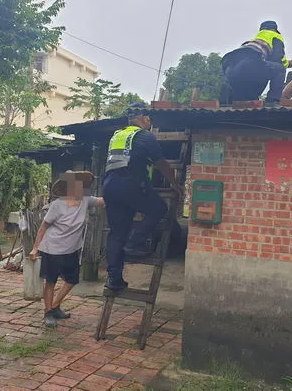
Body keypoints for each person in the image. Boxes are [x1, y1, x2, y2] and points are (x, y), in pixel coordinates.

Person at [102, 102, 181, 291]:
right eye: (149, 119)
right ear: (143, 118)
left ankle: (114, 279)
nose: (150, 123)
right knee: (159, 208)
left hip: (110, 187)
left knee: (116, 235)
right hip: (131, 185)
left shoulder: (116, 136)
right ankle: (136, 241)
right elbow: (160, 163)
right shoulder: (145, 136)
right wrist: (174, 183)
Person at [29, 171, 105, 328]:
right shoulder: (57, 205)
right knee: (50, 281)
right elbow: (43, 227)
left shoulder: (85, 200)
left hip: (71, 250)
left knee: (72, 280)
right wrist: (35, 248)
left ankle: (54, 306)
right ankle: (48, 312)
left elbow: (102, 201)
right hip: (52, 249)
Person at [220, 21, 291, 104]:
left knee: (247, 95)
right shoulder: (275, 36)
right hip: (249, 65)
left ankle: (230, 96)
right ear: (274, 30)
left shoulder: (255, 39)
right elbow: (278, 58)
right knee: (280, 69)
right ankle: (272, 101)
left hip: (229, 69)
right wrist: (289, 64)